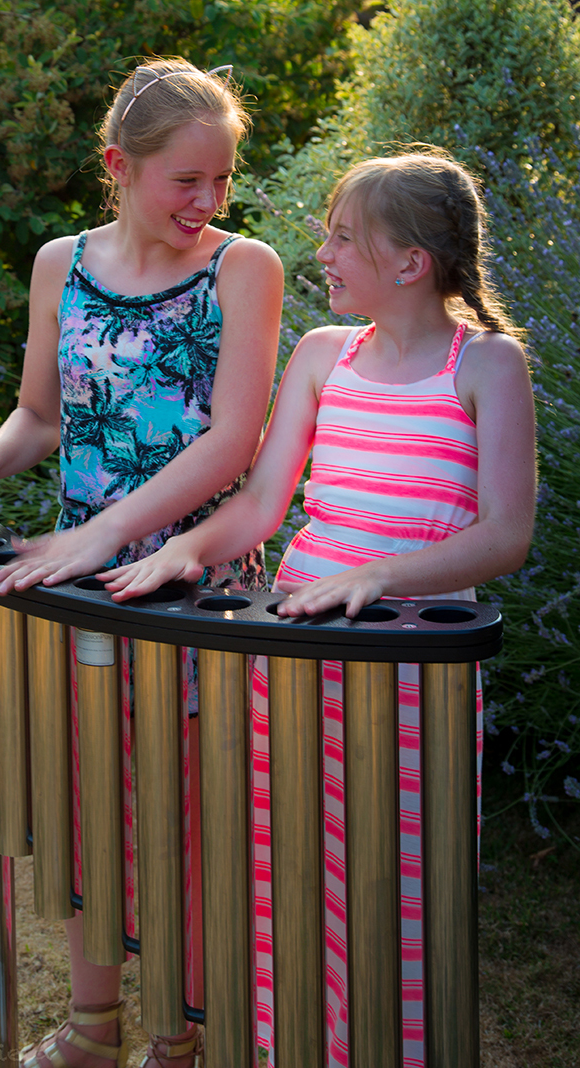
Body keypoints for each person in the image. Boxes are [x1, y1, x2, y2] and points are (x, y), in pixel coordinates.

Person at [0, 57, 283, 1068]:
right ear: (120, 164)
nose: (207, 201)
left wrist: (110, 534)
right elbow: (41, 415)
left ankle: (184, 1031)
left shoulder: (244, 269)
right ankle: (94, 1025)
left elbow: (234, 442)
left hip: (198, 586)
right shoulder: (59, 262)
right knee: (89, 809)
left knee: (193, 818)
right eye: (185, 180)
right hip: (78, 589)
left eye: (221, 181)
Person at [100, 151, 537, 1066]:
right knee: (285, 873)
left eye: (343, 238)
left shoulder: (488, 364)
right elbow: (263, 503)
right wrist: (184, 548)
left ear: (409, 262)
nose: (323, 254)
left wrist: (380, 577)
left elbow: (504, 536)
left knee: (394, 890)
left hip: (412, 674)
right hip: (290, 656)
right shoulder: (321, 353)